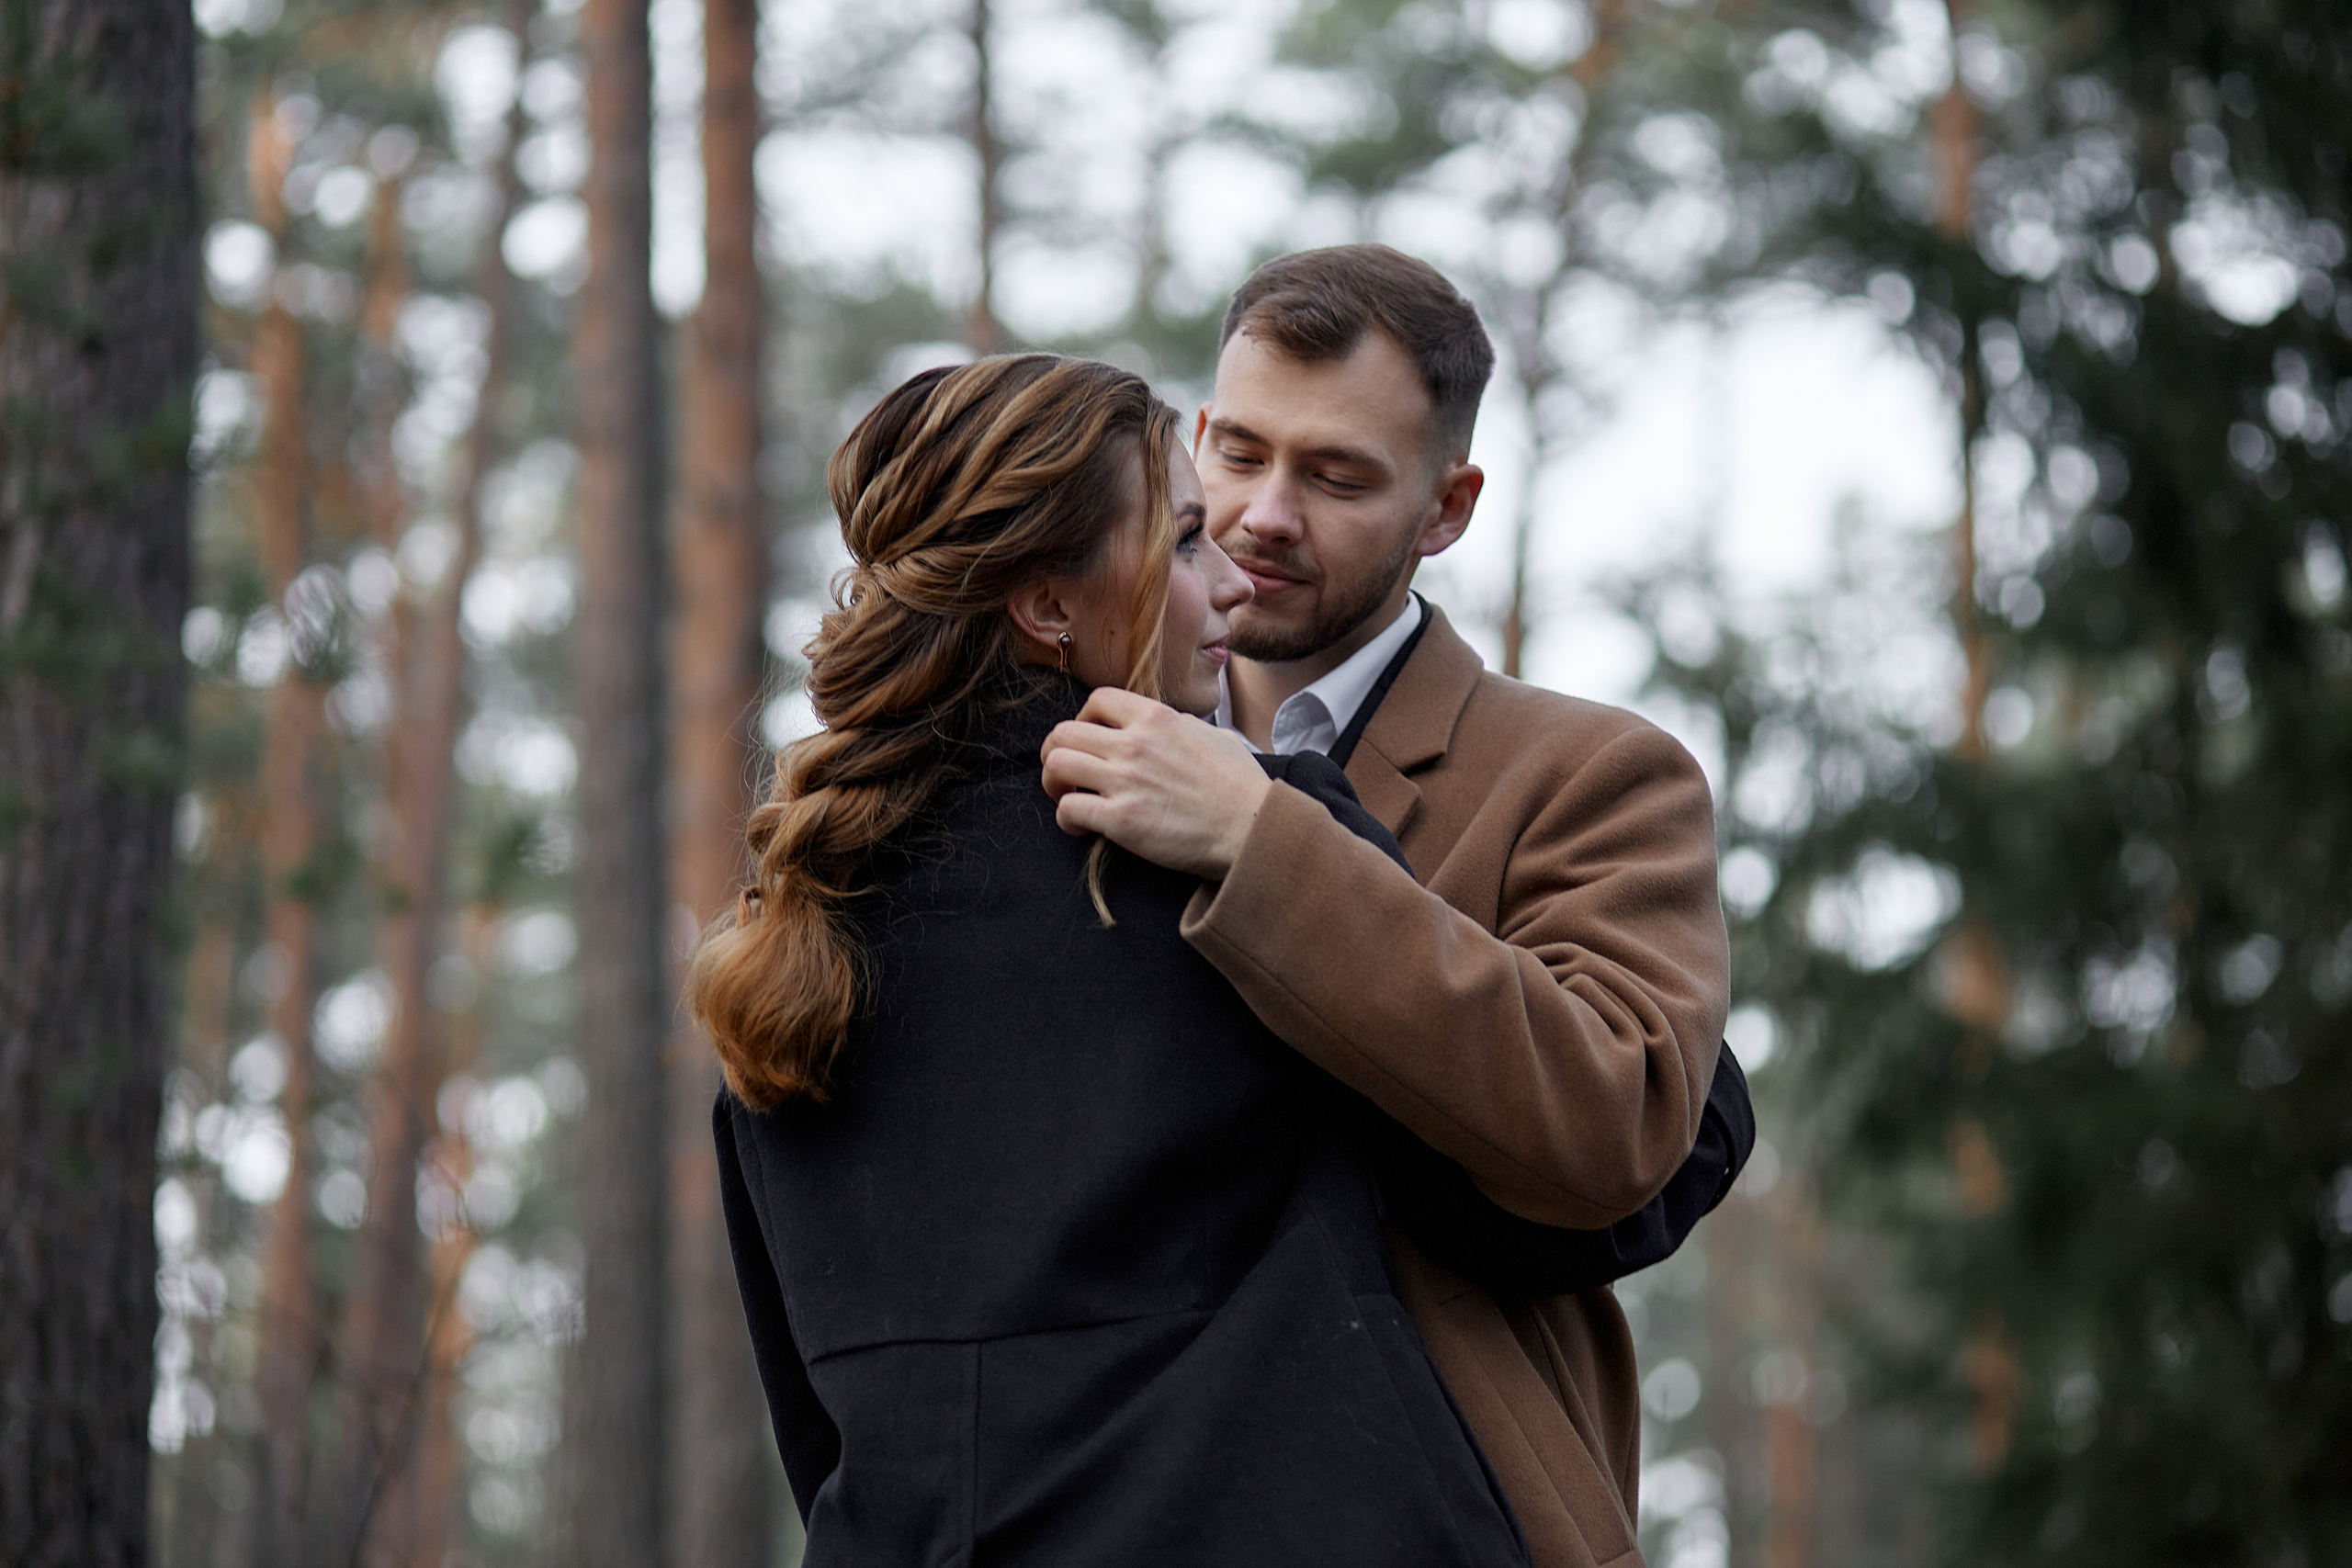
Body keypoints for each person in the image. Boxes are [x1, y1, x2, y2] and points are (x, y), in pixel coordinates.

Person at [686, 354, 1536, 1566]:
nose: (1234, 581)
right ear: (1046, 607)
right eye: (1187, 544)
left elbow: (816, 1424)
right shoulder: (1245, 857)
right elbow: (1549, 1200)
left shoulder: (786, 948)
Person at [1041, 244, 1737, 1568]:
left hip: (1445, 1519)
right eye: (1238, 454)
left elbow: (1615, 1115)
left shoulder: (1596, 777)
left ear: (1449, 506)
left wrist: (1262, 836)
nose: (1264, 515)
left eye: (1339, 475)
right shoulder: (1067, 750)